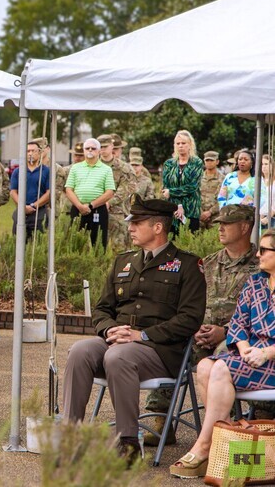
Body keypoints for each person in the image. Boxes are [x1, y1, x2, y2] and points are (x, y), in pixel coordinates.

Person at [62, 196, 206, 464]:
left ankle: (128, 443)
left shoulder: (187, 265)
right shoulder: (123, 261)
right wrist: (110, 331)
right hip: (119, 343)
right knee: (80, 351)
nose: (130, 227)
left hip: (160, 350)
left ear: (158, 227)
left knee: (119, 356)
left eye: (137, 222)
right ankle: (71, 438)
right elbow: (102, 308)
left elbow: (190, 318)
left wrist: (142, 336)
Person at [144, 204, 259, 446]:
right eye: (219, 224)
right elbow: (187, 300)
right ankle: (160, 417)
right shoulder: (206, 263)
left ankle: (253, 419)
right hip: (199, 333)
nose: (221, 229)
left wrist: (226, 332)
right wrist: (193, 327)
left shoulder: (261, 265)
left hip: (239, 339)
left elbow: (262, 313)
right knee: (169, 347)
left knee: (224, 359)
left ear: (245, 227)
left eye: (227, 224)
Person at [169, 229, 275, 479]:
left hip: (271, 360)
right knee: (205, 366)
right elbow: (238, 323)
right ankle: (225, 444)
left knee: (218, 368)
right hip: (251, 357)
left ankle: (206, 446)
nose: (257, 254)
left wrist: (266, 353)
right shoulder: (256, 282)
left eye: (264, 250)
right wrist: (244, 348)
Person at [65, 138, 116, 248]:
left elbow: (110, 192)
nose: (90, 150)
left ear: (99, 151)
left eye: (93, 148)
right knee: (74, 244)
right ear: (83, 151)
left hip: (98, 210)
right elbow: (69, 189)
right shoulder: (75, 168)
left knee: (98, 244)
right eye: (87, 148)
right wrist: (79, 206)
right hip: (78, 209)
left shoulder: (106, 169)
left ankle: (99, 265)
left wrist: (91, 205)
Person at [161, 129, 204, 233]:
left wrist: (171, 192)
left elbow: (192, 187)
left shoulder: (196, 162)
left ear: (190, 145)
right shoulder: (168, 164)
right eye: (178, 143)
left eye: (183, 143)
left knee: (190, 243)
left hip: (191, 210)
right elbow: (165, 188)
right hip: (172, 210)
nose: (180, 146)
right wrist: (178, 206)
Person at [99, 134, 137, 249]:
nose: (103, 149)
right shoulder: (94, 166)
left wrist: (108, 201)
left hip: (118, 213)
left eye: (105, 146)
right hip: (96, 211)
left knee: (118, 248)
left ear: (111, 146)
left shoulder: (124, 168)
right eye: (100, 147)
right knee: (97, 246)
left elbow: (127, 188)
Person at [9, 138, 51, 236]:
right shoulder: (18, 171)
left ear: (39, 153)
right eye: (28, 151)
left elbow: (49, 193)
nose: (30, 153)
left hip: (39, 212)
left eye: (33, 151)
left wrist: (34, 205)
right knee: (18, 240)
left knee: (38, 242)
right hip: (21, 212)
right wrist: (23, 206)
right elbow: (13, 192)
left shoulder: (46, 171)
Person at [199, 151, 224, 228]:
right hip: (199, 217)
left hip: (215, 218)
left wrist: (210, 212)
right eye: (207, 160)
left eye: (211, 160)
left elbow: (223, 199)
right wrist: (201, 212)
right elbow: (194, 196)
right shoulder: (198, 178)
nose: (209, 163)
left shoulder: (223, 179)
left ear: (217, 162)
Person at [259, 154, 275, 229]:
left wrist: (268, 218)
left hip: (272, 218)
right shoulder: (258, 181)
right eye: (262, 164)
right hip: (258, 217)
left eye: (266, 164)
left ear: (272, 165)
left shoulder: (274, 182)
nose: (264, 166)